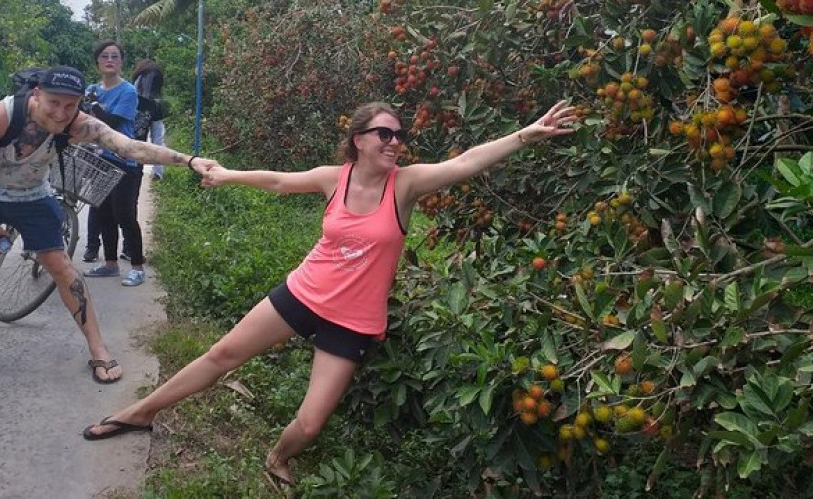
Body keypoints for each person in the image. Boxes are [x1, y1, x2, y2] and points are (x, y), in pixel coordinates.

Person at [82, 99, 578, 487]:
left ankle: (278, 456)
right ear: (358, 140)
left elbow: (467, 161)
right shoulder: (332, 179)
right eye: (385, 133)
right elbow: (278, 181)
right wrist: (228, 174)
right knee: (222, 354)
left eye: (399, 135)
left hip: (353, 321)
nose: (395, 142)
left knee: (311, 424)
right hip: (303, 292)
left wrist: (525, 135)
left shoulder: (405, 186)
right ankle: (141, 412)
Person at [0, 65, 214, 383]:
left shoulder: (79, 125)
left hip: (30, 193)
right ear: (37, 95)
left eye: (70, 105)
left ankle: (98, 348)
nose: (60, 113)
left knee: (61, 265)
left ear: (79, 103)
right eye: (54, 102)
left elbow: (129, 147)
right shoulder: (2, 115)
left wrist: (189, 160)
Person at [80, 41, 147, 287]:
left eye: (115, 56)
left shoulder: (127, 91)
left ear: (121, 62)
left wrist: (95, 104)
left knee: (125, 215)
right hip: (99, 160)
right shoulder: (91, 88)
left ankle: (138, 267)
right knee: (104, 213)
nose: (110, 59)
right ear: (97, 61)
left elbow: (113, 124)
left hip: (124, 161)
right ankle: (110, 264)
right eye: (104, 56)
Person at [132, 58, 166, 181]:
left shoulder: (155, 106)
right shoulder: (125, 95)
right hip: (114, 156)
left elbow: (158, 138)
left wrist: (158, 170)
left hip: (136, 159)